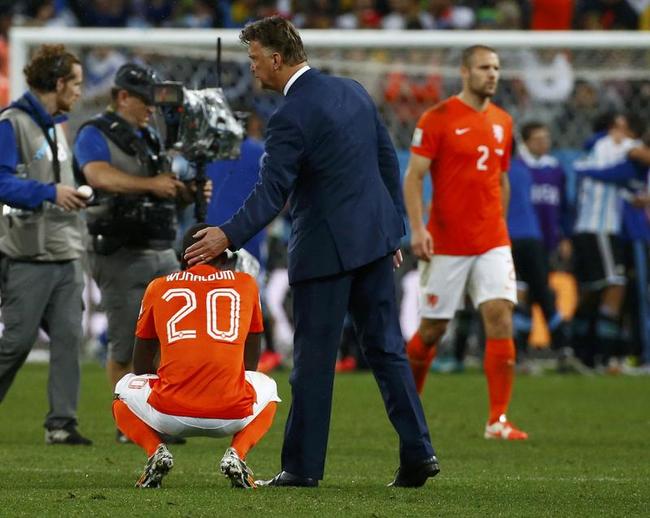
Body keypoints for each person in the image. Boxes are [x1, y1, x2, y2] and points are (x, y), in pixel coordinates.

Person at [184, 16, 438, 488]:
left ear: (277, 59)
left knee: (314, 363)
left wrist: (226, 235)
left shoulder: (289, 115)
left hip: (325, 252)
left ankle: (302, 468)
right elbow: (386, 156)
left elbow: (270, 191)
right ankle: (419, 453)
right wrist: (392, 231)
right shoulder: (353, 90)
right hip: (374, 243)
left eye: (255, 58)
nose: (253, 68)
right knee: (387, 351)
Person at [403, 45, 528, 441]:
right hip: (447, 244)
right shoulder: (437, 118)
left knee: (499, 315)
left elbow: (501, 178)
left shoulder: (504, 122)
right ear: (464, 72)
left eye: (496, 67)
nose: (492, 74)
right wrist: (418, 229)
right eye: (484, 68)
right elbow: (413, 177)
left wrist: (500, 225)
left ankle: (498, 420)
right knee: (432, 331)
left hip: (491, 240)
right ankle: (407, 409)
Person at [74, 63, 202, 443]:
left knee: (167, 341)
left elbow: (161, 192)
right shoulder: (94, 133)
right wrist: (153, 184)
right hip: (120, 250)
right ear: (122, 96)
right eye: (144, 100)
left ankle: (158, 417)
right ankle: (128, 424)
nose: (151, 108)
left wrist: (184, 193)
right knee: (126, 341)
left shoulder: (149, 134)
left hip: (160, 247)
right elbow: (97, 176)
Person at [112, 223, 279, 488]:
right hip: (232, 413)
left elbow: (141, 362)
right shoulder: (246, 284)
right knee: (270, 387)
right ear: (224, 257)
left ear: (182, 259)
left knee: (121, 391)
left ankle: (156, 450)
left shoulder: (158, 286)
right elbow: (251, 359)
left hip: (169, 414)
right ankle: (237, 453)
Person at [0, 44, 92, 444]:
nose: (79, 92)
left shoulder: (56, 125)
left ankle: (61, 423)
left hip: (67, 251)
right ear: (57, 83)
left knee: (70, 337)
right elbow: (1, 183)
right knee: (16, 343)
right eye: (76, 84)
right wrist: (50, 192)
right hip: (27, 254)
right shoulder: (11, 123)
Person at [507, 122, 575, 370]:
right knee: (538, 294)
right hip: (530, 239)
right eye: (538, 138)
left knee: (523, 293)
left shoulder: (547, 169)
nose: (543, 143)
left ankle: (521, 354)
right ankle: (562, 349)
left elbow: (560, 209)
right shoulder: (524, 170)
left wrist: (561, 238)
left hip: (522, 240)